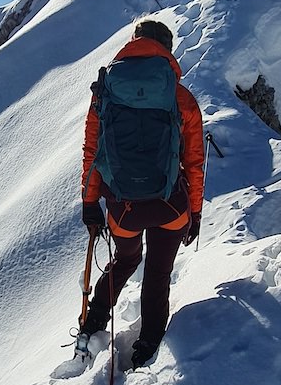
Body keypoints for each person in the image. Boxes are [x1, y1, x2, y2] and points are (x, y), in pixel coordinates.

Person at [80, 18, 204, 367]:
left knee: (126, 259)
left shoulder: (105, 92)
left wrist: (90, 203)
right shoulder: (181, 99)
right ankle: (148, 346)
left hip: (124, 209)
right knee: (157, 275)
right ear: (166, 49)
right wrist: (194, 213)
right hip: (171, 208)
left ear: (133, 44)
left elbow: (93, 153)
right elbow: (194, 163)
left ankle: (93, 320)